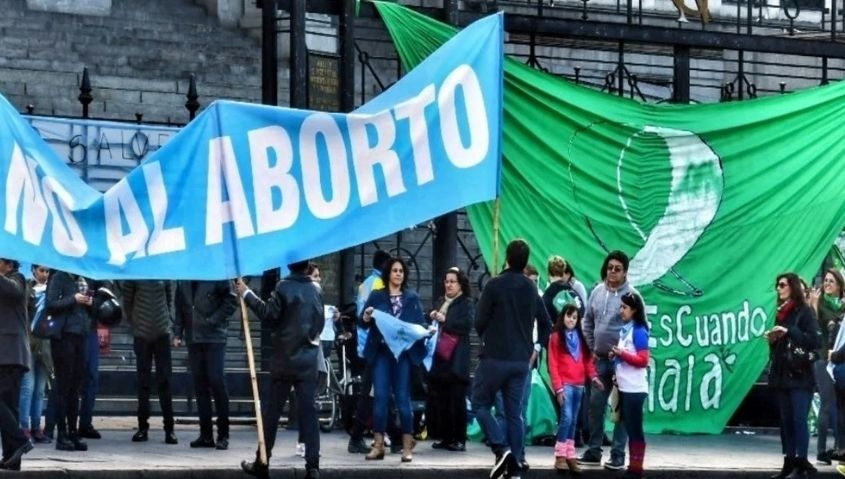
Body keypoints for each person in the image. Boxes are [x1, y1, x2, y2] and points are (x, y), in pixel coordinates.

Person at [237, 260, 324, 479]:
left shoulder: (283, 286)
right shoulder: (316, 290)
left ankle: (262, 461)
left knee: (272, 414)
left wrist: (247, 293)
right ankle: (313, 467)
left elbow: (269, 314)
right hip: (307, 361)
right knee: (309, 415)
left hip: (284, 360)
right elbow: (320, 323)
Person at [472, 238, 551, 479]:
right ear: (526, 262)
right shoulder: (531, 288)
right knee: (515, 413)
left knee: (480, 404)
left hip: (494, 358)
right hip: (521, 361)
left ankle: (501, 448)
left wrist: (488, 336)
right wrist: (535, 347)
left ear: (507, 257)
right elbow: (546, 324)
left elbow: (479, 321)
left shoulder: (494, 285)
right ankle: (515, 467)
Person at [359, 256, 426, 462]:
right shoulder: (377, 295)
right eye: (395, 270)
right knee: (380, 397)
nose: (398, 274)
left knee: (403, 398)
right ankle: (378, 445)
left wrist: (425, 330)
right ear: (388, 273)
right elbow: (362, 321)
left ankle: (406, 447)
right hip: (381, 353)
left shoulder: (412, 297)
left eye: (401, 271)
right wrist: (366, 316)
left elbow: (420, 323)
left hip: (402, 355)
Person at [579, 250, 637, 471]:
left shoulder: (632, 296)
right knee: (595, 406)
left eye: (618, 269)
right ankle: (594, 451)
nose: (612, 272)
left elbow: (640, 328)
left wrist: (624, 352)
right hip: (600, 360)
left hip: (622, 363)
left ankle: (618, 455)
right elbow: (587, 321)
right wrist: (592, 347)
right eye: (610, 267)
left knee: (621, 409)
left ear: (625, 272)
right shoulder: (596, 292)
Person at [767, 272, 820, 479]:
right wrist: (773, 340)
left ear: (792, 287)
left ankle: (801, 461)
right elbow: (780, 347)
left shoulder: (804, 312)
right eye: (777, 285)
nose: (778, 289)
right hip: (783, 373)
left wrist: (789, 331)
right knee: (786, 420)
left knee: (799, 419)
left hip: (800, 374)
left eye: (782, 285)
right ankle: (789, 461)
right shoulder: (780, 313)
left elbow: (814, 341)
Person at [173, 280, 237, 450]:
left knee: (217, 381)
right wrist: (178, 332)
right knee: (200, 385)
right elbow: (180, 307)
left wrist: (213, 320)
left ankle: (223, 434)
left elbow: (231, 301)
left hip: (214, 337)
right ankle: (206, 434)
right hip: (194, 337)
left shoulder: (217, 274)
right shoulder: (184, 279)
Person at [121, 280, 178, 445]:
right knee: (143, 383)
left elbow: (169, 298)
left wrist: (166, 321)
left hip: (162, 333)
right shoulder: (135, 272)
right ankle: (142, 428)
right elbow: (127, 302)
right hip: (142, 335)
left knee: (165, 382)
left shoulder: (163, 271)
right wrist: (136, 323)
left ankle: (169, 429)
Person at [347, 250, 392, 454]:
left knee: (377, 392)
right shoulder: (380, 285)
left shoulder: (365, 283)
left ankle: (393, 434)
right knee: (373, 392)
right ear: (384, 265)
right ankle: (359, 436)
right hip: (376, 344)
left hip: (365, 342)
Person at [548, 304, 601, 474]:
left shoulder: (580, 338)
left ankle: (570, 455)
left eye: (575, 317)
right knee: (567, 418)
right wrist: (558, 388)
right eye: (569, 316)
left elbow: (587, 362)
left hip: (579, 385)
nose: (571, 320)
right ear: (562, 316)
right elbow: (553, 364)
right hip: (565, 385)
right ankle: (560, 455)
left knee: (573, 421)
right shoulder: (556, 337)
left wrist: (594, 377)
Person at [45, 269, 94, 452]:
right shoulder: (59, 277)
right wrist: (73, 299)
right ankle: (62, 433)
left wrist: (91, 302)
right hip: (64, 336)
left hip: (81, 334)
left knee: (75, 387)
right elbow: (51, 304)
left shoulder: (84, 278)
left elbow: (93, 309)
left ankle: (73, 432)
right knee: (63, 386)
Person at [427, 267, 474, 453]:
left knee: (457, 400)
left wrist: (444, 320)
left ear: (460, 284)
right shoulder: (441, 301)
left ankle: (459, 439)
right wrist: (431, 315)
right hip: (440, 357)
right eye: (446, 281)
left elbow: (466, 325)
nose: (449, 285)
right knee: (442, 400)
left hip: (457, 357)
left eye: (453, 281)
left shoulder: (466, 303)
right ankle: (445, 437)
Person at [609, 292, 650, 479]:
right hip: (625, 387)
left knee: (635, 429)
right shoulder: (626, 330)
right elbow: (626, 355)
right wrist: (616, 356)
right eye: (621, 306)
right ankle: (633, 468)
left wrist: (622, 354)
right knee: (629, 427)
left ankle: (636, 469)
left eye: (624, 307)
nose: (621, 310)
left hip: (635, 389)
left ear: (634, 310)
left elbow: (643, 360)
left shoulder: (639, 330)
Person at [809, 268, 845, 464]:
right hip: (823, 358)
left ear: (839, 285)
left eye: (831, 281)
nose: (827, 284)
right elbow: (814, 329)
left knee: (840, 406)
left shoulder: (842, 306)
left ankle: (840, 448)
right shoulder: (820, 302)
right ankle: (821, 451)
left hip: (840, 360)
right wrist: (814, 306)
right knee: (827, 403)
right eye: (826, 280)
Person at [0, 258, 33, 470]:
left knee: (6, 404)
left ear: (9, 265)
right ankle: (12, 457)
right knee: (9, 406)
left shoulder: (18, 279)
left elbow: (14, 291)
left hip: (12, 354)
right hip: (4, 354)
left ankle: (20, 441)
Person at [19, 264, 52, 444]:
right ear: (33, 270)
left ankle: (36, 426)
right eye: (41, 270)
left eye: (47, 271)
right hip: (28, 343)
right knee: (28, 387)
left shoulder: (52, 289)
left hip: (46, 346)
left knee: (40, 390)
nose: (44, 274)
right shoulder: (26, 287)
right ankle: (23, 426)